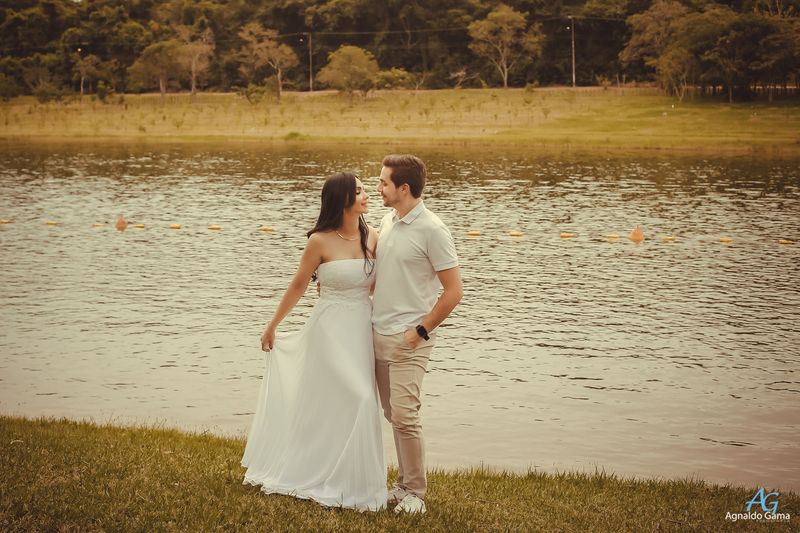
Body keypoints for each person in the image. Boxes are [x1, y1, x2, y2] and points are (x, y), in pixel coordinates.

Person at [242, 172, 388, 512]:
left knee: (356, 402)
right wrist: (272, 326)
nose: (366, 195)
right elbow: (298, 285)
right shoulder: (319, 241)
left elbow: (383, 282)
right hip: (329, 331)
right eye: (359, 191)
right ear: (342, 199)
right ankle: (314, 472)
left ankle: (357, 483)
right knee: (358, 398)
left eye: (365, 190)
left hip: (360, 330)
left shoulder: (373, 237)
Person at [372, 154, 463, 514]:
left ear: (404, 188)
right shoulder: (388, 220)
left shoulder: (433, 230)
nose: (378, 188)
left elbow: (454, 291)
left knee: (406, 415)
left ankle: (415, 493)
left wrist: (420, 331)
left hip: (410, 339)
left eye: (384, 182)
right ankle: (401, 486)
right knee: (393, 414)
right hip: (378, 333)